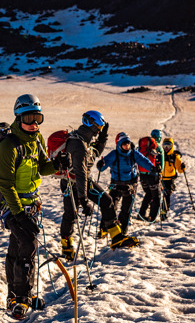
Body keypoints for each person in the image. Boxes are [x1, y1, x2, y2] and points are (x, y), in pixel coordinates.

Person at [0, 94, 67, 320]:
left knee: (19, 248)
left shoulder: (36, 140)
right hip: (11, 203)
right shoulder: (8, 146)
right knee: (27, 244)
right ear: (18, 117)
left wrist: (56, 165)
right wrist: (17, 215)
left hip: (31, 204)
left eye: (38, 117)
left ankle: (16, 295)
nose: (34, 123)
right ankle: (22, 298)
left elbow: (42, 168)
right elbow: (5, 184)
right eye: (28, 117)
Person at [59, 111, 139, 259]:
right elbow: (81, 173)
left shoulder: (84, 139)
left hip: (81, 182)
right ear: (92, 125)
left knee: (106, 201)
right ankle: (67, 246)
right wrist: (83, 200)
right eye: (100, 128)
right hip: (73, 183)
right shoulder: (79, 144)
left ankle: (116, 238)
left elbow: (94, 153)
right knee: (71, 214)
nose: (100, 130)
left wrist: (103, 138)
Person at [96, 132, 154, 235]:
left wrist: (152, 167)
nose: (127, 146)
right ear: (119, 145)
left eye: (128, 144)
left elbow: (143, 161)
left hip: (130, 185)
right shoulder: (114, 154)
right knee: (110, 207)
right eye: (124, 144)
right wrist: (101, 164)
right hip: (116, 185)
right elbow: (102, 166)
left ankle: (123, 231)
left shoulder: (133, 153)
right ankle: (104, 229)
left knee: (126, 210)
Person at [137, 132, 164, 222]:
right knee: (156, 197)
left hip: (142, 175)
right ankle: (153, 217)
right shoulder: (159, 148)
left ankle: (141, 214)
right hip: (153, 176)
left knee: (148, 194)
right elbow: (162, 165)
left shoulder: (143, 147)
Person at [161, 137, 186, 220]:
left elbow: (180, 170)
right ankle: (156, 212)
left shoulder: (174, 157)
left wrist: (182, 167)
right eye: (165, 146)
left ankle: (164, 213)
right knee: (157, 197)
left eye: (168, 146)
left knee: (166, 196)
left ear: (172, 146)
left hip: (169, 180)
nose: (166, 148)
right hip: (160, 179)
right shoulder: (160, 155)